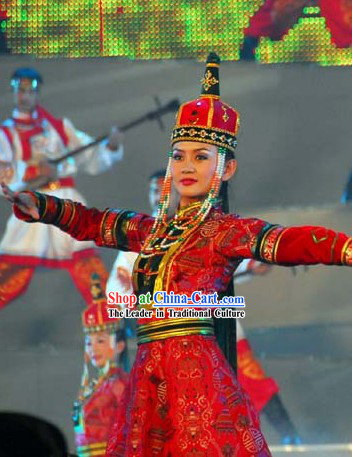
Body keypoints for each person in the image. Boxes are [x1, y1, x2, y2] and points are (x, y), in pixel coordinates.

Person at [2, 53, 351, 457]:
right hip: (148, 376)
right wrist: (41, 205)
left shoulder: (225, 231)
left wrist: (346, 248)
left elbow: (289, 241)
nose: (186, 166)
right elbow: (93, 222)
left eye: (201, 157)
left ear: (227, 168)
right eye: (179, 155)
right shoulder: (151, 231)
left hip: (196, 378)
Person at [107, 171, 300, 445]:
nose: (158, 195)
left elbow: (233, 257)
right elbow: (117, 291)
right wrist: (143, 299)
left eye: (164, 188)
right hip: (166, 333)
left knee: (249, 380)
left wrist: (255, 264)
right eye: (153, 190)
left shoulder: (203, 227)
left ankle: (291, 438)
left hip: (213, 322)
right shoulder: (138, 235)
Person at [0, 67, 124, 308]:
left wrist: (110, 148)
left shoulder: (58, 127)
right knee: (10, 272)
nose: (24, 96)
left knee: (88, 267)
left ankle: (110, 319)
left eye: (29, 90)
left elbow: (89, 154)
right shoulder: (5, 134)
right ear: (14, 92)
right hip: (32, 202)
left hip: (65, 201)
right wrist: (34, 170)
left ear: (37, 93)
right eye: (20, 90)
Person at [73, 273, 129, 457]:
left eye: (101, 341)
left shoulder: (120, 384)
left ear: (119, 345)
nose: (93, 349)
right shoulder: (94, 384)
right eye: (89, 343)